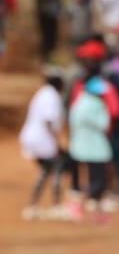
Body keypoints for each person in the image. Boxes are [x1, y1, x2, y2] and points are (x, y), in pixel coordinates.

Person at [19, 71, 72, 220]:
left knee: (45, 170)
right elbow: (48, 120)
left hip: (35, 137)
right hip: (43, 139)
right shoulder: (51, 96)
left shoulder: (43, 93)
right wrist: (58, 142)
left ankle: (33, 206)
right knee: (58, 167)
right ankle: (56, 205)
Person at [68, 76, 114, 224]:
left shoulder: (78, 103)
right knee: (98, 182)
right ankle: (82, 207)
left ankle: (93, 211)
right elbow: (104, 124)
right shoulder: (96, 105)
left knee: (91, 180)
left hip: (81, 147)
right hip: (96, 150)